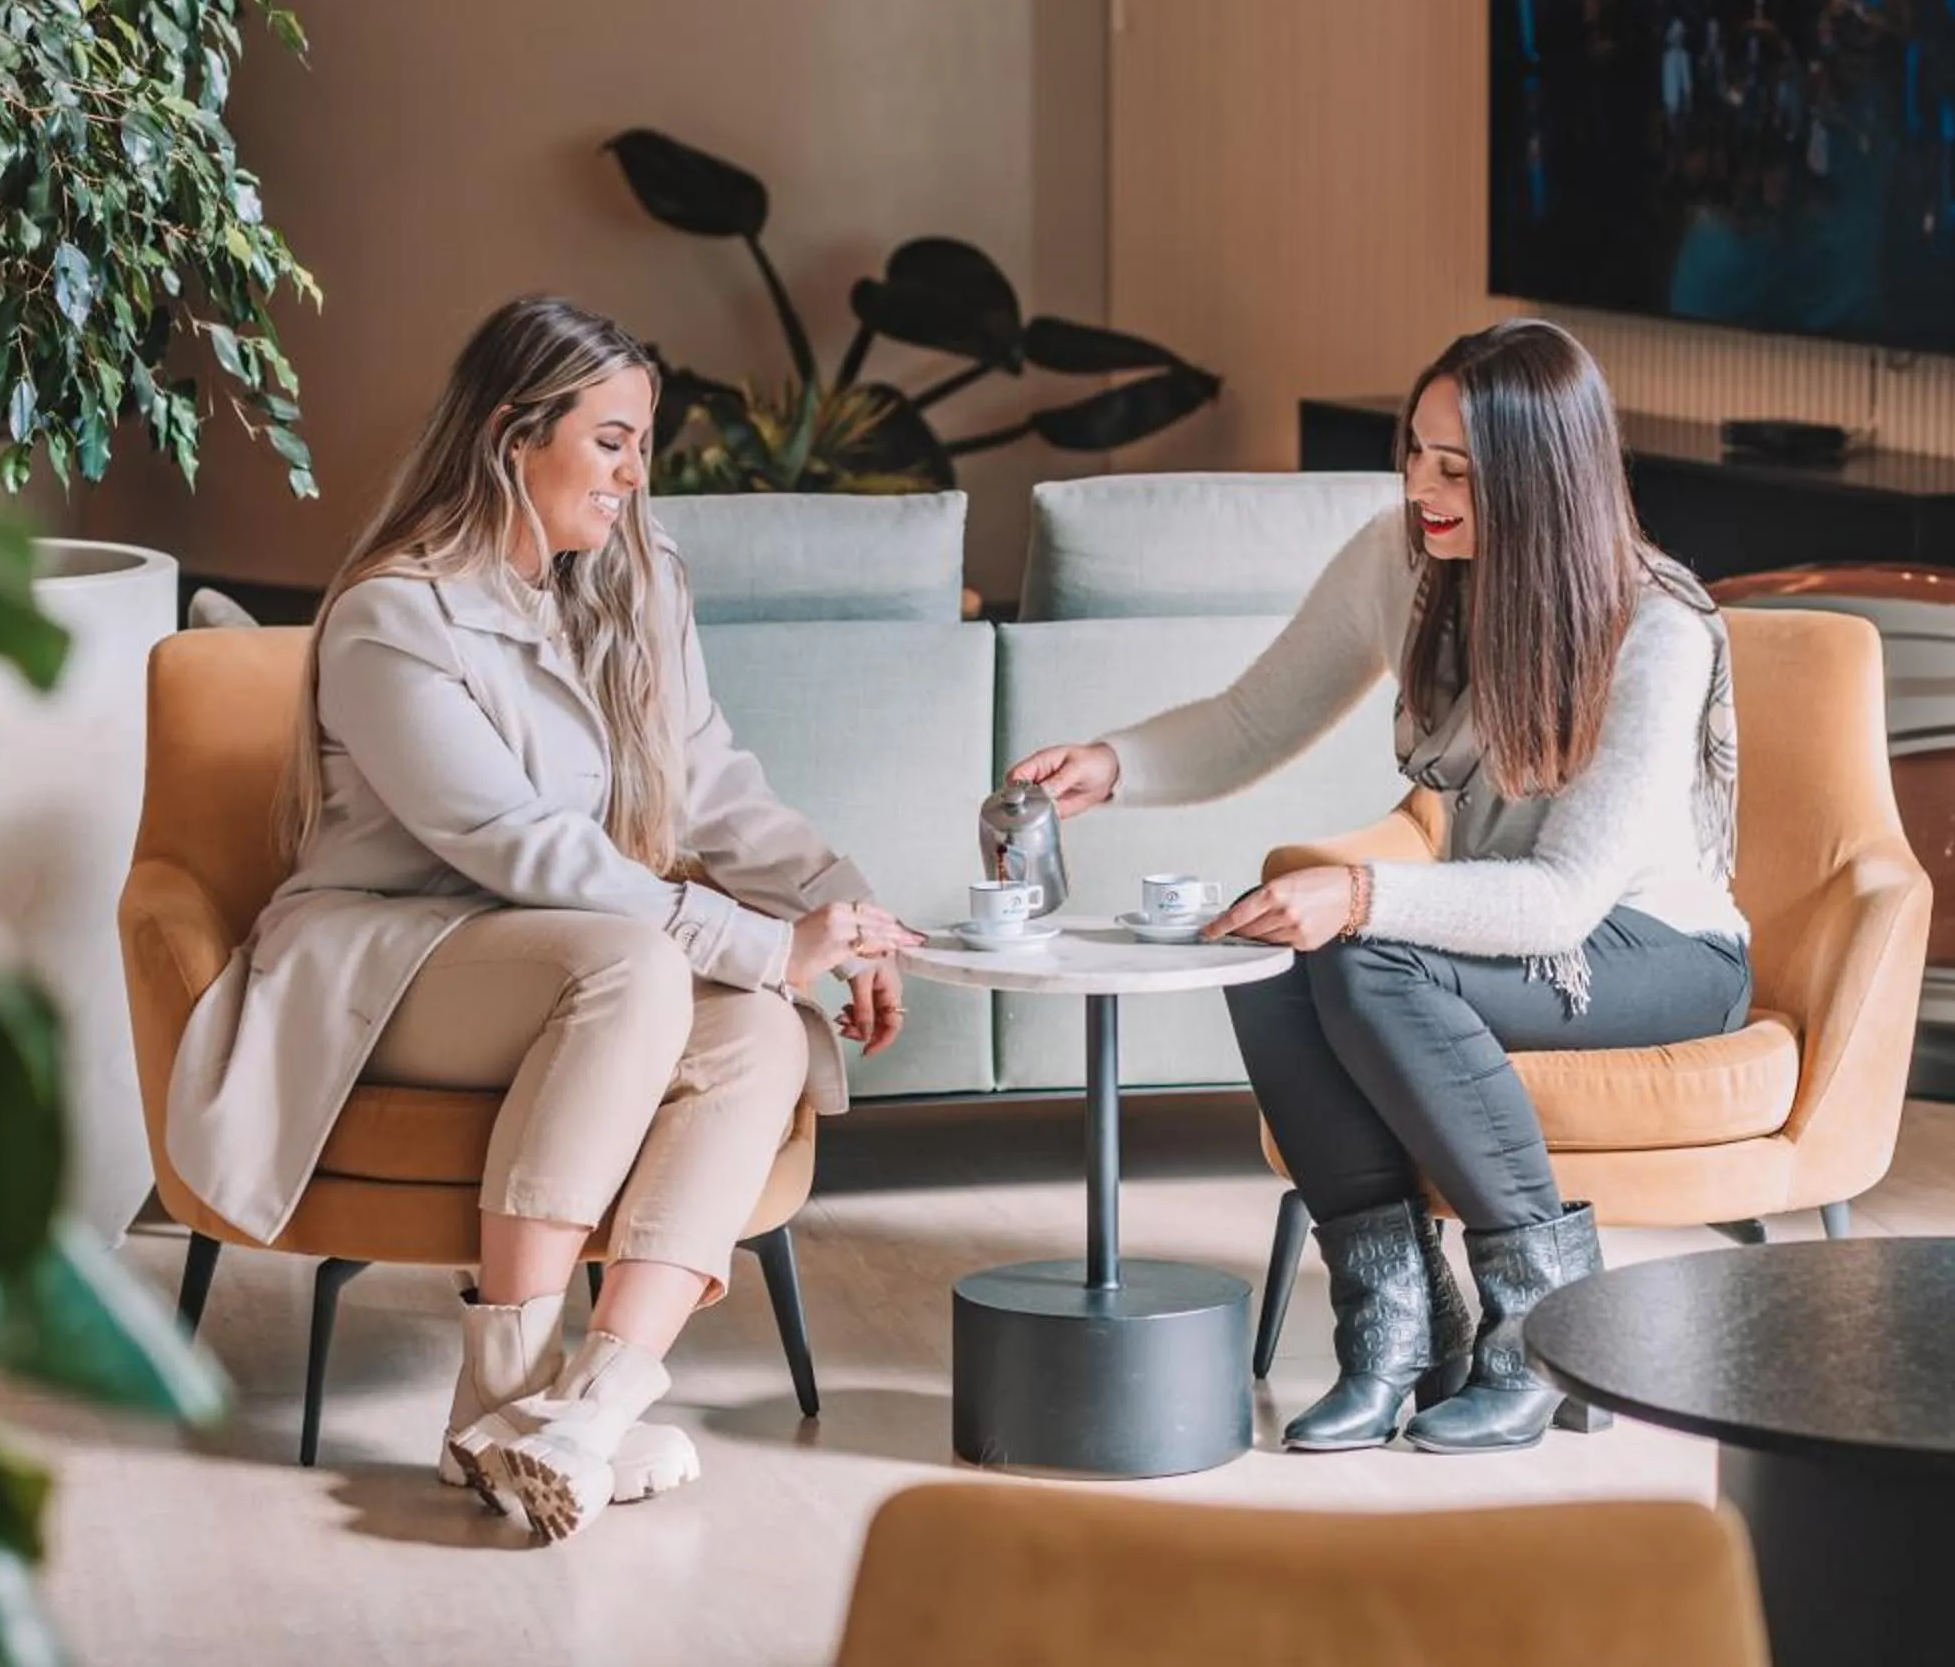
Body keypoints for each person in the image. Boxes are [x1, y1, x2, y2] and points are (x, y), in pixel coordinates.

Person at [164, 296, 922, 1543]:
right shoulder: (392, 615)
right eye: (613, 439)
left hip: (569, 951)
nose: (637, 474)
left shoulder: (633, 576)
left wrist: (838, 906)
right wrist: (762, 942)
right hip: (391, 959)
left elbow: (710, 780)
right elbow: (523, 849)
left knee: (758, 1031)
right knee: (638, 966)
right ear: (515, 434)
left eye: (642, 443)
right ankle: (500, 1392)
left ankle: (586, 1412)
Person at [1007, 320, 1748, 1456]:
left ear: (1542, 478)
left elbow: (1559, 902)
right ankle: (1395, 1328)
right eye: (1415, 451)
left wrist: (1360, 894)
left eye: (1456, 468)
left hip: (1659, 951)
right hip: (1520, 927)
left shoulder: (1655, 627)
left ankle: (1540, 1330)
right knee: (1264, 948)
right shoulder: (1401, 556)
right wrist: (1113, 762)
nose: (1420, 486)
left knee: (1354, 939)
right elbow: (1256, 717)